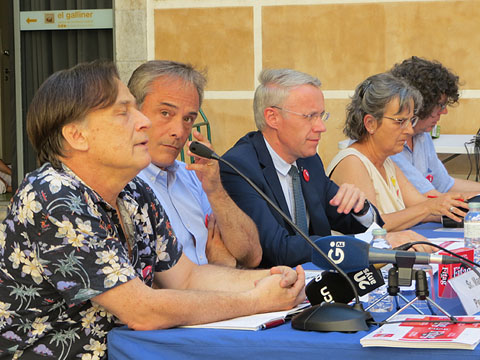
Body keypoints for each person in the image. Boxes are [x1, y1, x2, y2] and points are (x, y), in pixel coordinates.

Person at [0, 61, 305, 359]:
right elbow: (142, 310)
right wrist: (255, 301)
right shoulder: (52, 194)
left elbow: (187, 278)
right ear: (77, 136)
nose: (142, 121)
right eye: (123, 113)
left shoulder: (134, 191)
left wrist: (279, 280)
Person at [219, 68, 392, 268]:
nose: (321, 127)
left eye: (321, 116)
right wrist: (357, 244)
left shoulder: (308, 160)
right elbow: (277, 249)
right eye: (309, 116)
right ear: (272, 117)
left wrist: (360, 208)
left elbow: (349, 221)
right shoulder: (239, 168)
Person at [128, 60, 261, 268]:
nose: (179, 132)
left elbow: (251, 255)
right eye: (165, 113)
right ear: (134, 112)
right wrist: (219, 268)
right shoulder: (124, 183)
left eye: (188, 119)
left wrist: (215, 190)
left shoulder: (190, 174)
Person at [327, 73, 468, 232]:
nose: (409, 130)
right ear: (370, 123)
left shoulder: (387, 161)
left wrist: (463, 208)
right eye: (400, 121)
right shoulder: (351, 163)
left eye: (411, 120)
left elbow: (421, 205)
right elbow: (373, 226)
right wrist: (429, 208)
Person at [390, 56, 480, 196]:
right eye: (440, 105)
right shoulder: (388, 143)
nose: (444, 111)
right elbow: (428, 198)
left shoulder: (422, 136)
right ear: (420, 104)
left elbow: (446, 185)